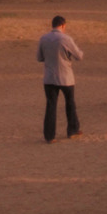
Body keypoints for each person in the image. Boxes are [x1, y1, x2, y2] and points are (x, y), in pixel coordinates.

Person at [37, 15, 84, 143]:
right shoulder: (66, 39)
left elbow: (39, 57)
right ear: (63, 25)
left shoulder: (43, 38)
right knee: (70, 103)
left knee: (51, 105)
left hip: (49, 77)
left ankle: (49, 135)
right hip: (65, 77)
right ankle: (72, 130)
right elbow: (78, 56)